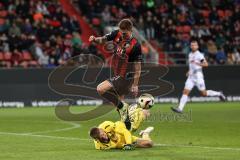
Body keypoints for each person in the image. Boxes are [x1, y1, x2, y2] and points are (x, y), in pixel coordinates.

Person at [89, 19, 142, 120]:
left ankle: (125, 110)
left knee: (100, 88)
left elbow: (138, 67)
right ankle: (127, 122)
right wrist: (95, 39)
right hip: (117, 74)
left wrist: (135, 85)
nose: (122, 35)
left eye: (124, 33)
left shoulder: (135, 45)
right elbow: (103, 39)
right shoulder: (116, 34)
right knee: (119, 105)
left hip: (125, 77)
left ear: (131, 30)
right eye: (121, 32)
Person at [171, 40, 226, 113]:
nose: (193, 46)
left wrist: (198, 63)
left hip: (198, 77)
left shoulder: (199, 55)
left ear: (197, 46)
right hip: (191, 77)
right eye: (192, 45)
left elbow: (206, 64)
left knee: (204, 93)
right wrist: (189, 71)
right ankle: (180, 108)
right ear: (190, 46)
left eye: (194, 45)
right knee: (185, 91)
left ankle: (219, 93)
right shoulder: (190, 54)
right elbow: (191, 65)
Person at [89, 121, 154, 150]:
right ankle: (144, 133)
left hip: (123, 136)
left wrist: (128, 143)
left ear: (101, 129)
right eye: (101, 137)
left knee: (150, 143)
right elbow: (114, 146)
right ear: (97, 139)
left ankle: (145, 133)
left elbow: (125, 132)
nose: (104, 136)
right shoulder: (99, 147)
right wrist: (123, 146)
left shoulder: (107, 125)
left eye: (103, 133)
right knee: (146, 145)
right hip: (120, 144)